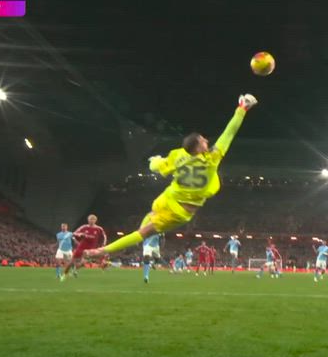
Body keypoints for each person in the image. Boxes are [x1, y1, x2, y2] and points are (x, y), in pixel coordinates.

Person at [84, 94, 258, 260]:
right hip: (179, 211)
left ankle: (133, 241)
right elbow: (229, 132)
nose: (206, 140)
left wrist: (154, 160)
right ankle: (103, 251)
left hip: (168, 197)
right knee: (143, 233)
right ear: (198, 148)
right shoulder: (212, 158)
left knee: (149, 217)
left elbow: (156, 167)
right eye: (203, 140)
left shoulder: (178, 155)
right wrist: (242, 109)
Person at [61, 214, 106, 281]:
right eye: (90, 219)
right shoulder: (84, 227)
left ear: (95, 220)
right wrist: (81, 234)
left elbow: (104, 236)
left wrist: (103, 244)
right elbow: (74, 233)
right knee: (71, 262)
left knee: (83, 262)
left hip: (91, 249)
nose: (91, 221)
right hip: (81, 247)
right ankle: (64, 275)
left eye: (93, 219)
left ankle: (74, 270)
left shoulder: (99, 229)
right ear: (88, 220)